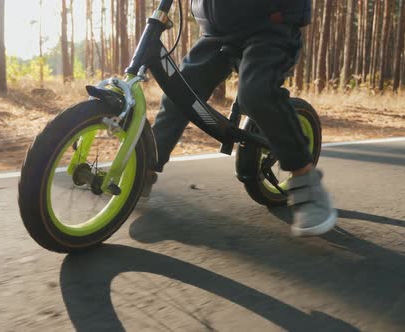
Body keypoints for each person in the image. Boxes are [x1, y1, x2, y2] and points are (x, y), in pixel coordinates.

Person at [144, 0, 337, 237]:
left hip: (270, 26)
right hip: (217, 32)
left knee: (256, 93)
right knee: (178, 91)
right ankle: (145, 168)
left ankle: (306, 181)